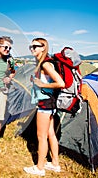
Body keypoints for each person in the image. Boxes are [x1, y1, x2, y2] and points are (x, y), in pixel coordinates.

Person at [23, 38, 65, 176]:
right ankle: (55, 164)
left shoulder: (46, 64)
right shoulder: (45, 62)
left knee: (41, 137)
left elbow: (61, 83)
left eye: (36, 46)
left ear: (43, 47)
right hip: (50, 102)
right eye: (31, 46)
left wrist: (42, 85)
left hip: (45, 104)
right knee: (50, 133)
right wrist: (37, 82)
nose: (32, 49)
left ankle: (39, 168)